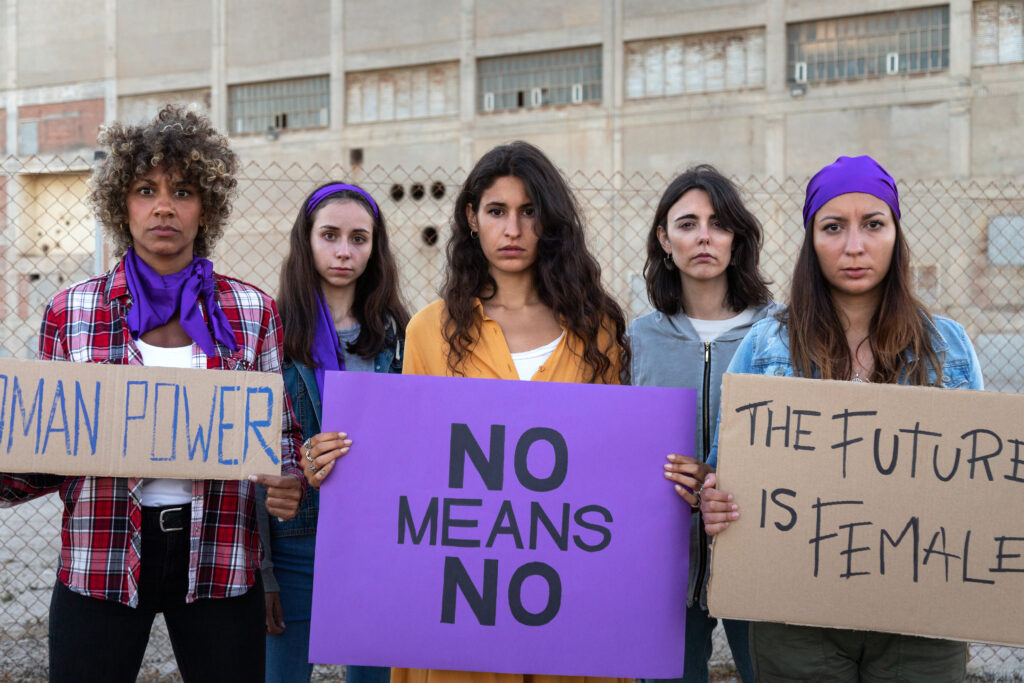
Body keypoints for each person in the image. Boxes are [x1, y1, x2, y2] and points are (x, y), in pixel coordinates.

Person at [306, 140, 630, 683]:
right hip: (461, 604)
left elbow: (611, 463)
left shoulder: (597, 327)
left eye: (530, 212)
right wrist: (339, 462)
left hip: (567, 597)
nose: (513, 230)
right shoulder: (430, 330)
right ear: (471, 218)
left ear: (551, 222)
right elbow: (412, 461)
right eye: (497, 211)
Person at [0, 105, 304, 682]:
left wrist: (288, 479)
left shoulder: (251, 311)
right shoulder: (73, 310)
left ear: (206, 206)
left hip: (218, 556)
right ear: (121, 204)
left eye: (184, 190)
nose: (164, 206)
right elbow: (47, 448)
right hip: (101, 552)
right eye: (146, 189)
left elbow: (280, 434)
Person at [700, 155, 981, 682]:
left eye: (873, 224)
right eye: (834, 227)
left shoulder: (950, 345)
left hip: (920, 619)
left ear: (896, 234)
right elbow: (724, 470)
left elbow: (975, 490)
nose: (855, 246)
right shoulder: (766, 344)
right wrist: (715, 501)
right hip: (795, 614)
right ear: (812, 241)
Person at [629, 165, 776, 683]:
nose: (704, 237)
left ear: (738, 239)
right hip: (662, 565)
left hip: (762, 562)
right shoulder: (637, 340)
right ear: (664, 241)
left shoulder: (780, 334)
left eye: (718, 223)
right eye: (687, 224)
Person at [260, 182, 408, 683]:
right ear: (306, 241)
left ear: (375, 247)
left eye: (359, 238)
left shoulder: (402, 336)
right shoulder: (269, 332)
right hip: (296, 539)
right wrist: (264, 574)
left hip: (380, 537)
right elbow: (250, 453)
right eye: (330, 235)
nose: (344, 251)